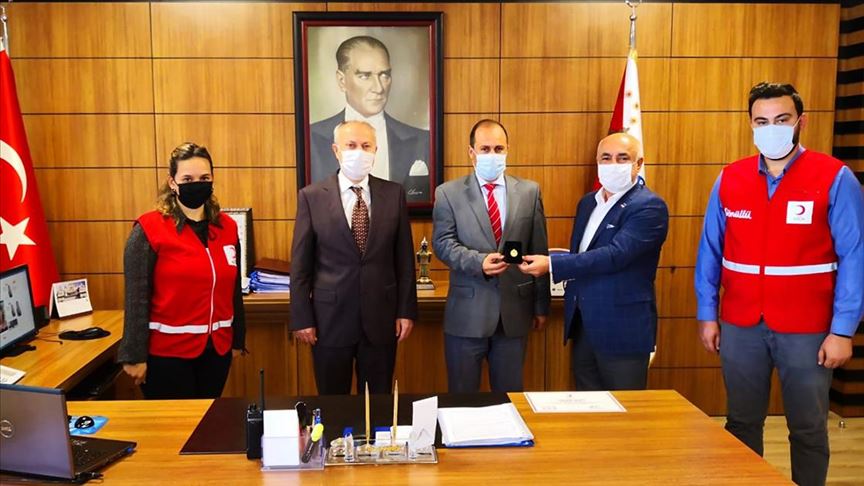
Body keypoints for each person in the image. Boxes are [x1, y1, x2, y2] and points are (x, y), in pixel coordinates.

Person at [694, 82, 864, 486]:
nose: (771, 128)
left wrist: (843, 330)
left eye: (782, 119)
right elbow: (709, 251)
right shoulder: (730, 178)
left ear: (800, 122)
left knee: (807, 427)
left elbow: (855, 256)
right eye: (762, 121)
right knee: (741, 423)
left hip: (808, 328)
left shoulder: (834, 177)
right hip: (740, 323)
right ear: (751, 125)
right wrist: (707, 314)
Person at [520, 132, 669, 391]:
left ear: (638, 164)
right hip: (584, 324)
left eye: (622, 158)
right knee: (588, 405)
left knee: (624, 408)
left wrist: (552, 264)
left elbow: (615, 255)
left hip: (622, 328)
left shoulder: (649, 207)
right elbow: (582, 252)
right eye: (606, 158)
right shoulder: (588, 203)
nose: (613, 164)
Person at [291, 120, 417, 394]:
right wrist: (302, 318)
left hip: (381, 319)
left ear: (375, 151)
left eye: (366, 146)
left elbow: (405, 261)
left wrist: (405, 311)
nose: (358, 152)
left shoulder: (393, 194)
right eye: (351, 145)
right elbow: (300, 266)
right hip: (329, 320)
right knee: (332, 400)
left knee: (378, 401)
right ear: (336, 150)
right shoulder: (311, 197)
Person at [118, 143, 246, 399]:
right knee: (177, 424)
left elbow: (233, 290)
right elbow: (136, 298)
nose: (196, 184)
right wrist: (133, 355)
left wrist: (237, 340)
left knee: (208, 420)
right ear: (172, 182)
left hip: (217, 351)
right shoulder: (148, 229)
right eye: (187, 179)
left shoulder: (228, 227)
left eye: (204, 178)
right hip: (166, 356)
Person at [432, 119, 550, 393]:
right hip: (467, 315)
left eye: (499, 149)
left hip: (514, 315)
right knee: (462, 400)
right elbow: (443, 244)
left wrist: (541, 306)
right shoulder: (448, 193)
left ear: (508, 150)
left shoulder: (529, 192)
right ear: (471, 152)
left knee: (510, 399)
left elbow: (539, 249)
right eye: (485, 149)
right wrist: (478, 262)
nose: (492, 155)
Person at [309, 35, 431, 202]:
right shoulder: (312, 138)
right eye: (365, 76)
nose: (378, 88)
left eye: (384, 75)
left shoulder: (422, 141)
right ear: (342, 80)